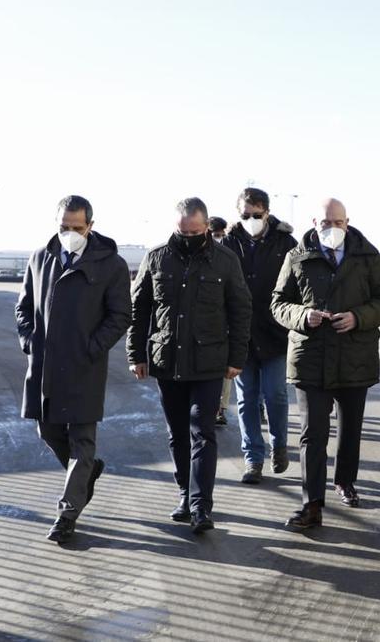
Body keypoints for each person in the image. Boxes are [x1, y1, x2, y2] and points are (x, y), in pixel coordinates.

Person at [127, 198, 252, 533]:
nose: (188, 237)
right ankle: (184, 492)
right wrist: (136, 354)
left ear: (206, 226)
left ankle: (201, 506)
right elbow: (139, 311)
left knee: (202, 430)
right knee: (177, 433)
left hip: (209, 363)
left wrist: (236, 358)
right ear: (175, 227)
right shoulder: (157, 258)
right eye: (183, 231)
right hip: (168, 360)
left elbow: (241, 310)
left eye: (195, 232)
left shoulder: (225, 260)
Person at [271, 198, 380, 529]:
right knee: (312, 434)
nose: (332, 228)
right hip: (311, 358)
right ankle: (311, 504)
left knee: (350, 429)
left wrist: (358, 317)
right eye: (326, 222)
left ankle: (345, 481)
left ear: (348, 221)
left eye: (338, 222)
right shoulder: (297, 256)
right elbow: (278, 303)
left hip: (355, 355)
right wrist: (302, 315)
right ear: (315, 222)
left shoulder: (367, 256)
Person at [15, 195, 131, 544]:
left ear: (90, 226)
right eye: (64, 226)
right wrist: (30, 341)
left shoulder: (111, 264)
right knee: (48, 432)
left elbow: (120, 316)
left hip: (84, 367)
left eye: (76, 227)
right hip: (45, 366)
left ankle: (67, 515)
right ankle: (88, 471)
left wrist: (92, 348)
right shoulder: (40, 257)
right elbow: (23, 307)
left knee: (82, 441)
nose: (69, 233)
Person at [221, 187, 298, 484]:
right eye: (245, 215)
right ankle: (253, 457)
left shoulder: (285, 242)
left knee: (276, 394)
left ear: (266, 212)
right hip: (240, 335)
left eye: (256, 214)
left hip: (276, 333)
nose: (250, 220)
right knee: (247, 398)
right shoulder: (228, 244)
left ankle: (279, 445)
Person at [209, 215, 234, 426]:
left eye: (220, 235)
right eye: (214, 235)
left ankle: (220, 409)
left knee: (225, 372)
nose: (218, 239)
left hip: (225, 325)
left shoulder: (229, 258)